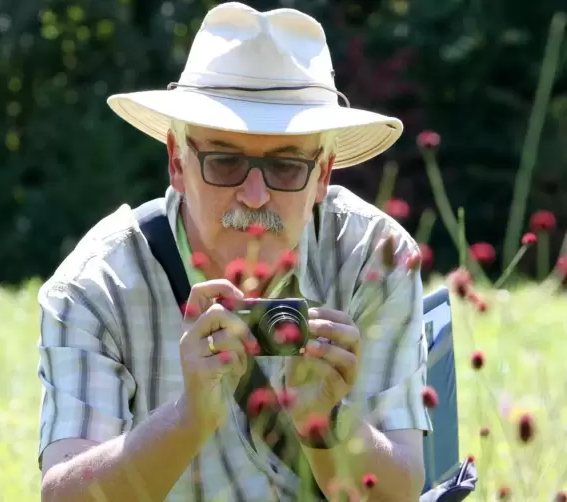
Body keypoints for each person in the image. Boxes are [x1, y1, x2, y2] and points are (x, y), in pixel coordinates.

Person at [37, 2, 432, 501]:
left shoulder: (374, 256)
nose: (253, 195)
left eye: (286, 167)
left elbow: (399, 492)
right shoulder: (97, 286)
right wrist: (188, 416)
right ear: (178, 163)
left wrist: (323, 419)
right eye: (224, 162)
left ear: (323, 175)